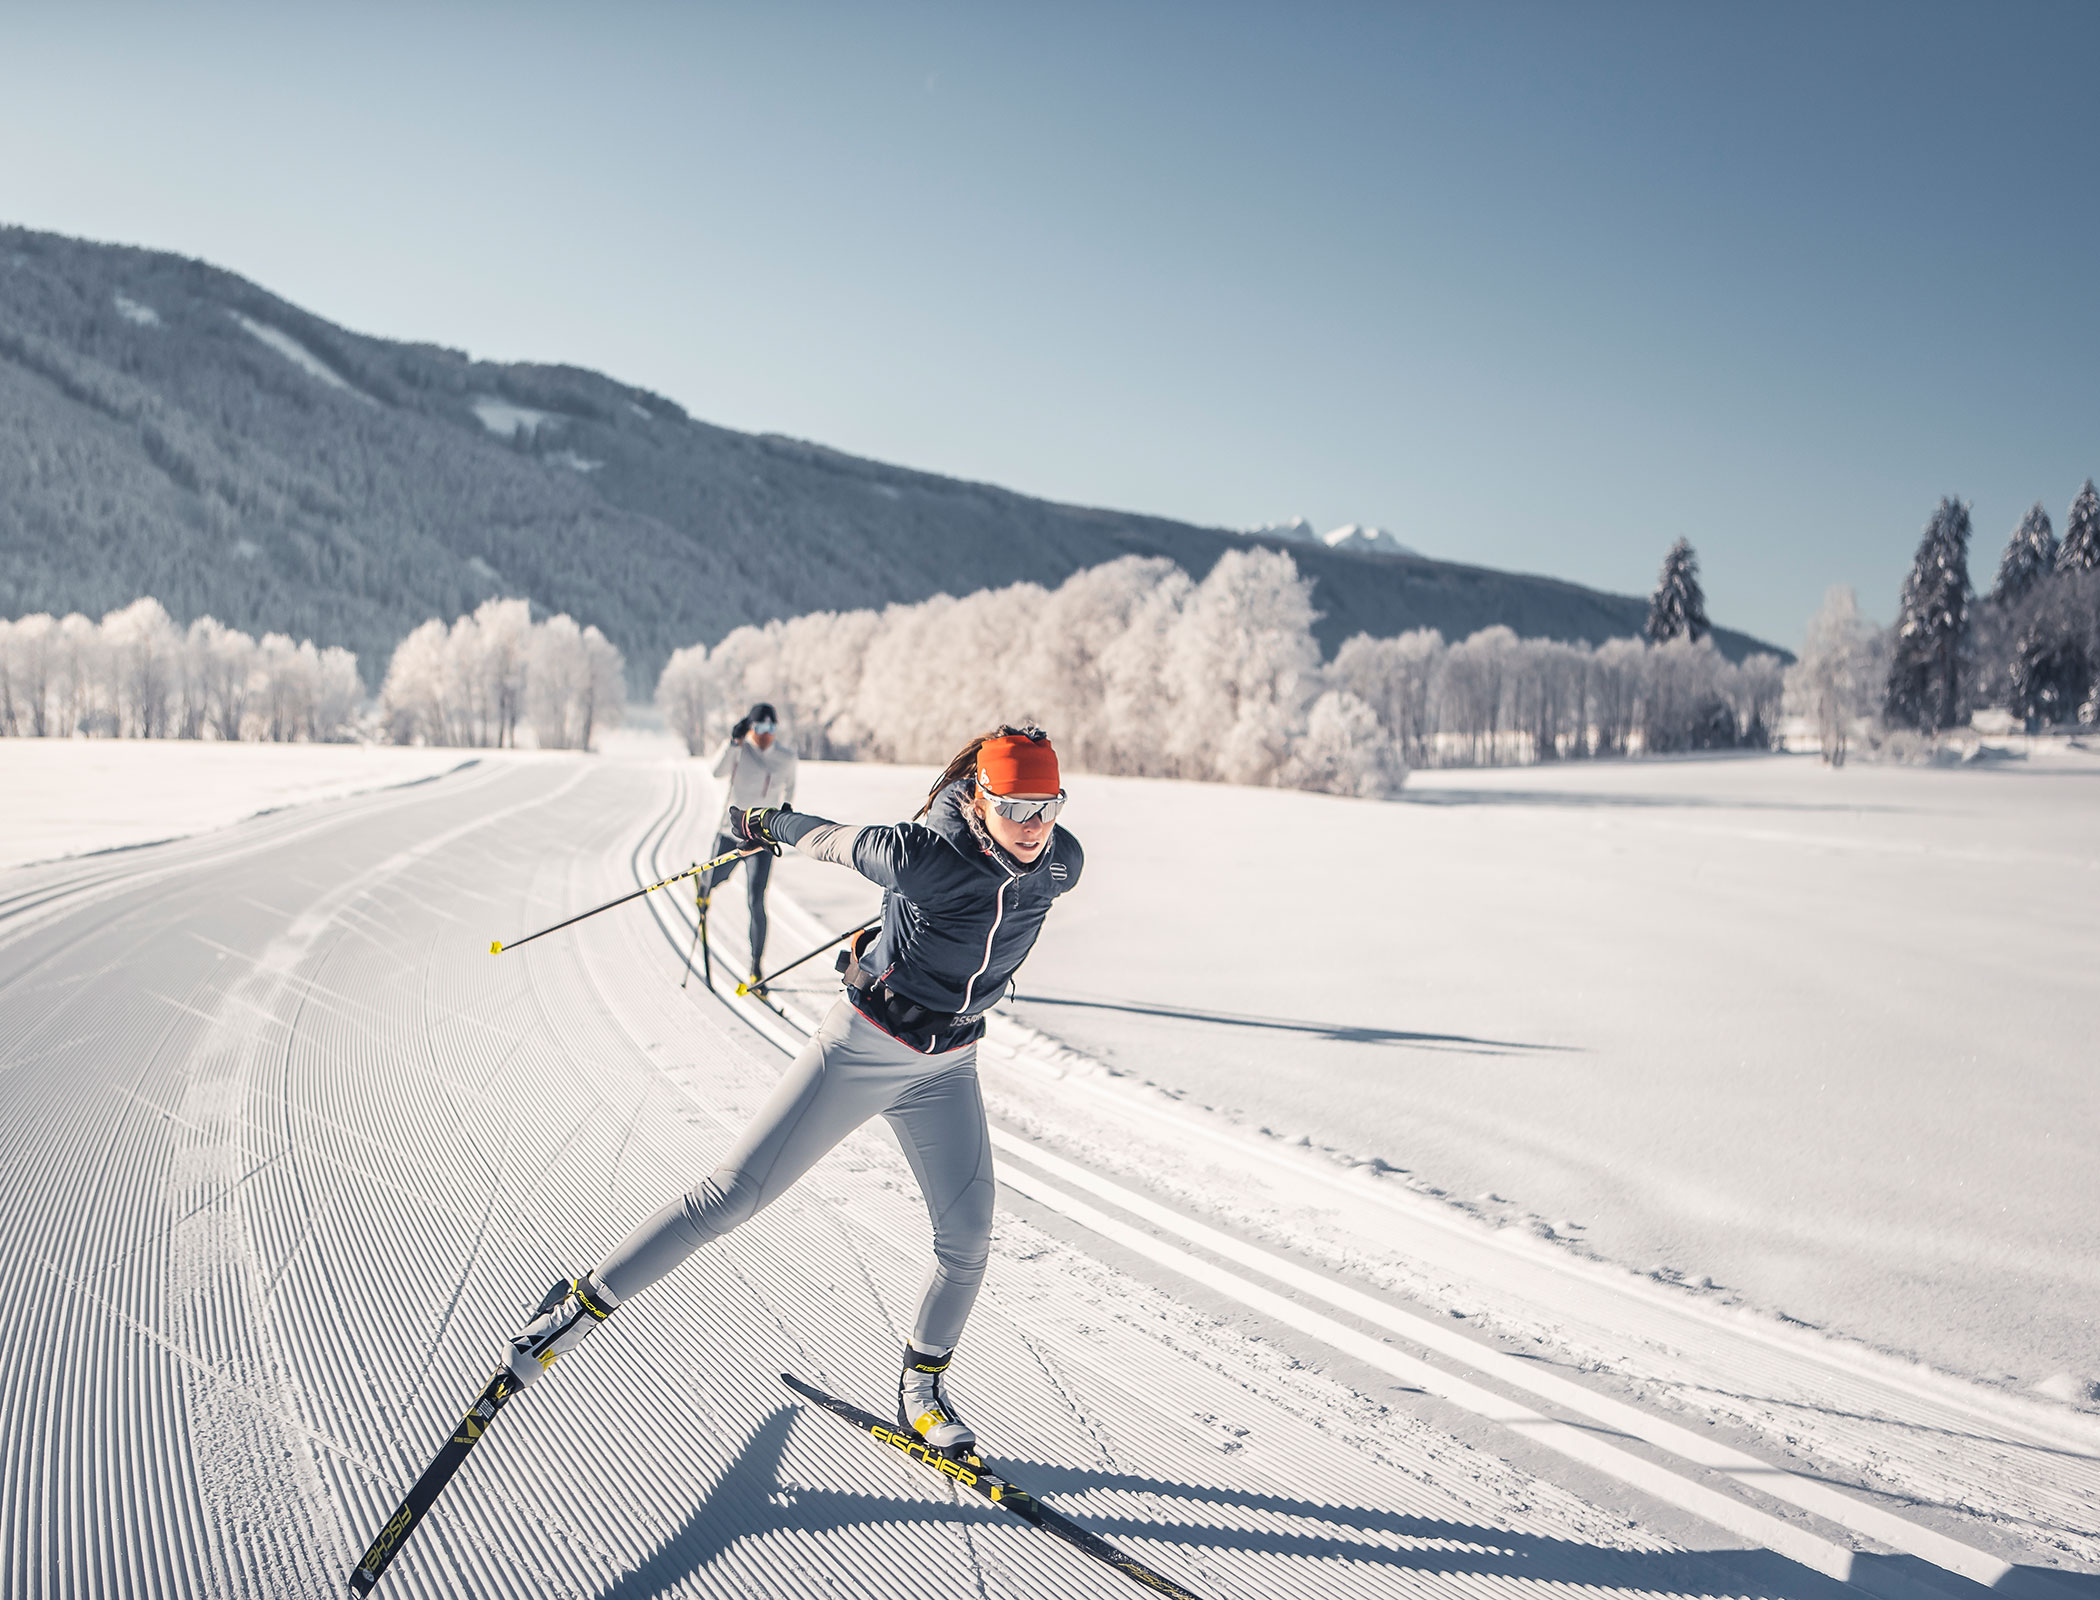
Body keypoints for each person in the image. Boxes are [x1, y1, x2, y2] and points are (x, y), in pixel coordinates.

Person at [509, 725, 1080, 1456]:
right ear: (979, 798)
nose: (1034, 827)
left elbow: (998, 916)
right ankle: (575, 1310)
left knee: (966, 1240)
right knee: (733, 1196)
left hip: (948, 1066)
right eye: (1017, 807)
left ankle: (922, 1391)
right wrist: (759, 824)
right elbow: (831, 838)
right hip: (864, 1048)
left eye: (1048, 806)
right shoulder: (922, 856)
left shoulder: (1063, 863)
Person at [701, 702, 798, 988]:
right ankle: (703, 887)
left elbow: (790, 788)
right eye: (760, 728)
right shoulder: (740, 750)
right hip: (731, 833)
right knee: (714, 879)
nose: (766, 734)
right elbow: (715, 772)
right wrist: (732, 742)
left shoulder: (786, 757)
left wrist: (786, 811)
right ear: (751, 728)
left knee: (756, 899)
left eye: (771, 728)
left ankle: (756, 968)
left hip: (762, 839)